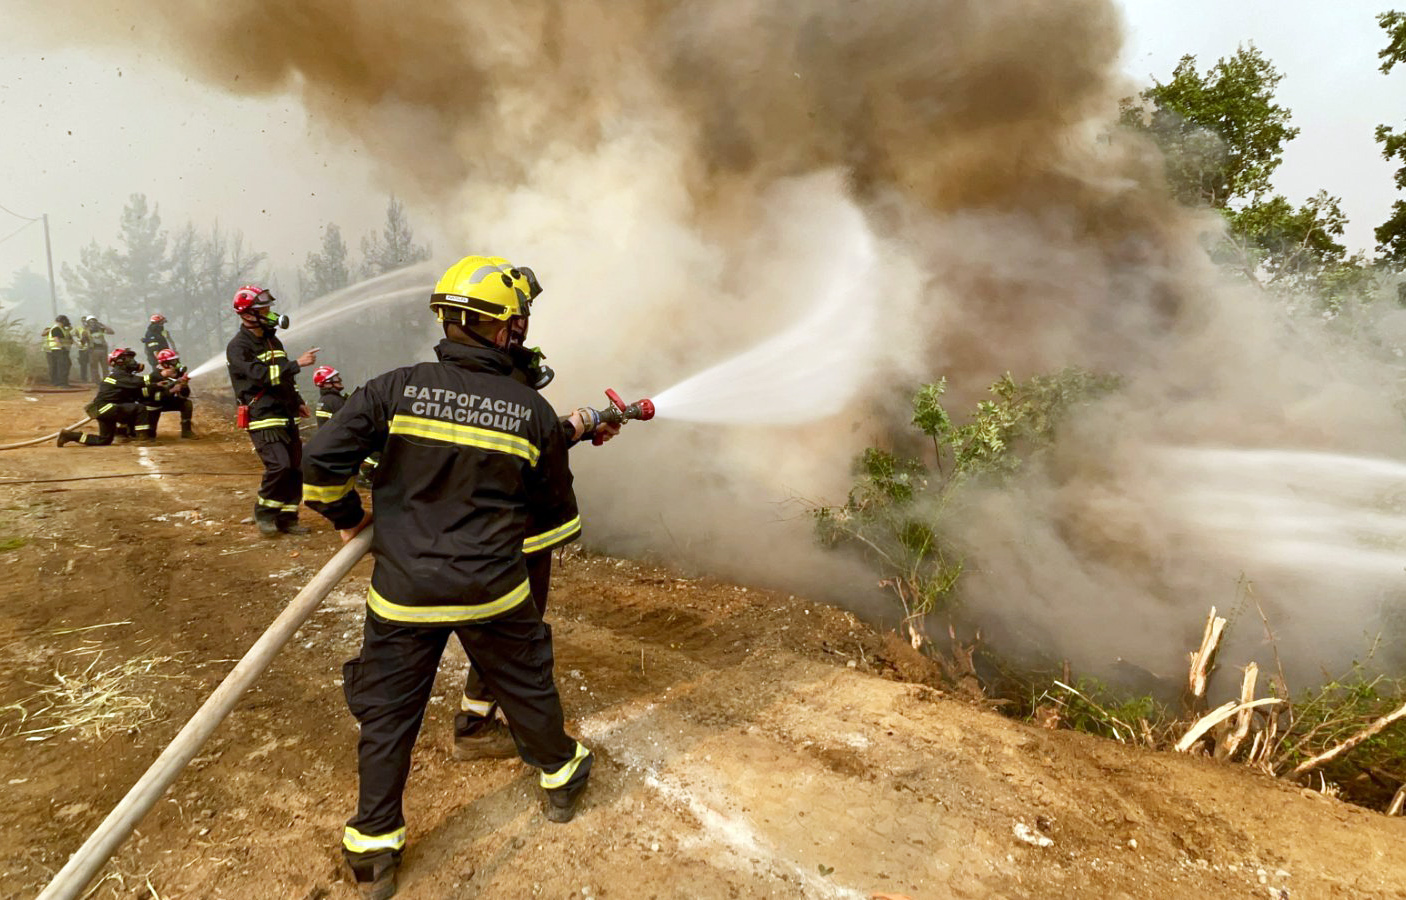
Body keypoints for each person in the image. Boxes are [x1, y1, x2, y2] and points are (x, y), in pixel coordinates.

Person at [302, 255, 593, 899]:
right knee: (527, 687)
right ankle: (560, 778)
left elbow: (321, 458)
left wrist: (349, 516)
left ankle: (375, 846)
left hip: (404, 593)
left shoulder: (395, 388)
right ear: (505, 332)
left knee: (389, 713)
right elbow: (552, 520)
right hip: (494, 592)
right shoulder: (530, 411)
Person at [452, 260, 621, 760]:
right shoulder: (501, 378)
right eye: (521, 312)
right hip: (513, 535)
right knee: (517, 630)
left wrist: (577, 426)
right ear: (506, 319)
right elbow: (523, 438)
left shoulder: (457, 373)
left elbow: (519, 437)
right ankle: (536, 749)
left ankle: (475, 716)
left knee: (490, 629)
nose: (525, 322)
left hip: (467, 532)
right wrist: (578, 424)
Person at [225, 285, 318, 537]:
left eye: (267, 308)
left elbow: (283, 377)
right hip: (263, 414)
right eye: (262, 309)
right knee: (280, 466)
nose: (268, 312)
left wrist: (297, 399)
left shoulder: (272, 339)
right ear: (247, 314)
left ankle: (288, 517)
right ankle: (264, 514)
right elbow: (262, 376)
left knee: (296, 468)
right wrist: (297, 364)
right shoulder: (238, 347)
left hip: (285, 411)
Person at [57, 348, 162, 446]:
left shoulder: (123, 375)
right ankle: (143, 439)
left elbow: (138, 388)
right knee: (139, 408)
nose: (133, 362)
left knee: (104, 440)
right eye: (128, 359)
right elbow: (141, 382)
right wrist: (161, 372)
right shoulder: (118, 375)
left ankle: (69, 436)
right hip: (107, 408)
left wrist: (158, 386)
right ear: (119, 362)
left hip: (103, 409)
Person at [152, 348, 196, 439]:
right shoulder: (156, 375)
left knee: (187, 404)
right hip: (155, 404)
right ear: (165, 364)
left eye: (176, 360)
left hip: (168, 401)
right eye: (173, 361)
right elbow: (155, 397)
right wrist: (171, 390)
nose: (176, 363)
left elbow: (184, 396)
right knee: (151, 434)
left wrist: (183, 385)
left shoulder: (178, 374)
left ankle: (186, 431)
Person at [43, 315, 74, 387]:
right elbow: (56, 339)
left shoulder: (63, 329)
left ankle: (62, 382)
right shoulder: (56, 329)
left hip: (63, 350)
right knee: (63, 366)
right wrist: (61, 347)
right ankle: (62, 383)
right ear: (62, 321)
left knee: (65, 365)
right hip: (59, 350)